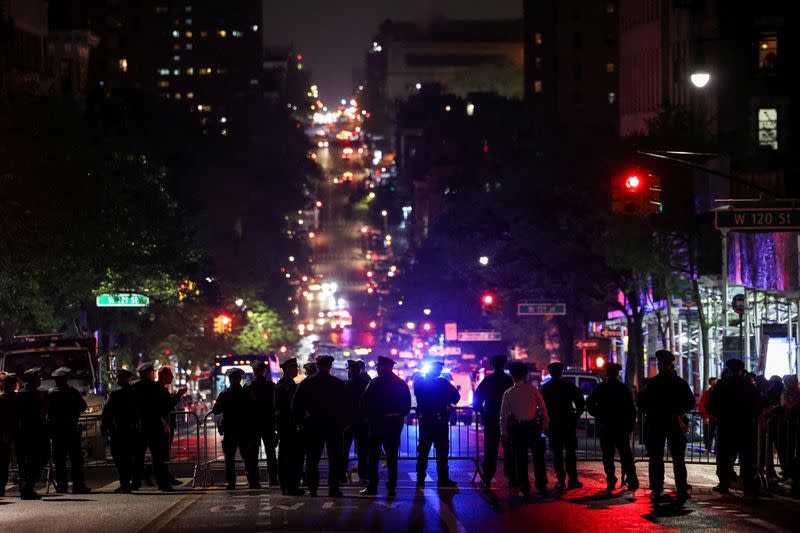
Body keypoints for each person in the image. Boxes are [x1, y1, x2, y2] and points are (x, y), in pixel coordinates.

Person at [637, 350, 695, 500]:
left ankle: (657, 488)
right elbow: (690, 403)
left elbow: (641, 403)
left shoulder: (652, 383)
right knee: (678, 458)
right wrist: (678, 410)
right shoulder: (679, 383)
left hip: (656, 422)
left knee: (656, 456)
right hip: (674, 421)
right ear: (671, 365)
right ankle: (681, 488)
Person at [292, 355, 346, 497]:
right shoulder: (338, 383)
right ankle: (333, 487)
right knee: (334, 458)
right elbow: (347, 406)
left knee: (312, 458)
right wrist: (344, 423)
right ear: (330, 366)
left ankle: (313, 488)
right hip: (333, 425)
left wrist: (300, 422)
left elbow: (296, 405)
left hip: (313, 424)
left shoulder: (307, 383)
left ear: (317, 366)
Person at [707, 358, 761, 496]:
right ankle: (748, 488)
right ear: (742, 371)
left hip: (726, 426)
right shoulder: (749, 387)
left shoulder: (721, 386)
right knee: (746, 458)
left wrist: (720, 415)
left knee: (724, 457)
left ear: (729, 370)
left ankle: (724, 485)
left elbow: (711, 406)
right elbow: (757, 407)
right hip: (746, 427)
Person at [359, 355, 411, 497]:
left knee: (373, 456)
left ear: (383, 367)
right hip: (394, 424)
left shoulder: (375, 383)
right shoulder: (400, 383)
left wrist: (370, 416)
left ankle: (372, 486)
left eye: (378, 366)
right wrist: (397, 414)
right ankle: (392, 484)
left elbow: (364, 402)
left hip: (377, 423)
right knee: (392, 455)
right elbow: (407, 406)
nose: (376, 368)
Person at [586, 362, 639, 493]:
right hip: (621, 427)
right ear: (617, 373)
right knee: (625, 454)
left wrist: (599, 414)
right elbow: (631, 409)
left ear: (607, 373)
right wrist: (630, 425)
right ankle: (632, 480)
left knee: (608, 456)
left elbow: (590, 403)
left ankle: (611, 480)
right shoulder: (623, 388)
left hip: (607, 425)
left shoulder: (601, 387)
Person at [500, 362, 550, 497]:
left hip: (518, 428)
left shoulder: (508, 393)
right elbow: (543, 408)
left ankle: (525, 486)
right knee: (538, 458)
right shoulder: (532, 390)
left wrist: (503, 431)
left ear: (512, 376)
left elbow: (503, 415)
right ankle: (541, 485)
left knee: (520, 459)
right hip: (533, 427)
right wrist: (545, 424)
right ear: (524, 375)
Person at [414, 360, 460, 489]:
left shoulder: (420, 382)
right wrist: (445, 401)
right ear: (437, 370)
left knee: (423, 450)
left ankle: (420, 478)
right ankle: (443, 479)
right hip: (440, 420)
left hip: (425, 420)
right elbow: (456, 397)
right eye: (439, 369)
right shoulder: (443, 382)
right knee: (442, 451)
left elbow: (418, 395)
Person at [212, 367, 260, 489]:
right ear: (240, 379)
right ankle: (253, 481)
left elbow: (216, 410)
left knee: (229, 459)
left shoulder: (224, 394)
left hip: (230, 430)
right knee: (248, 458)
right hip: (244, 430)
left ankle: (231, 483)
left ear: (229, 379)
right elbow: (254, 410)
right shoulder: (247, 393)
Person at [541, 361, 585, 490]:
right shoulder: (568, 386)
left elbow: (541, 407)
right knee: (570, 453)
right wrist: (575, 416)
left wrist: (545, 421)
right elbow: (580, 402)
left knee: (557, 454)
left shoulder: (546, 388)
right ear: (561, 372)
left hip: (554, 424)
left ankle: (561, 480)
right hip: (568, 423)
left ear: (550, 372)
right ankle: (573, 479)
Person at [473, 355, 515, 488]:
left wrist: (483, 413)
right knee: (509, 450)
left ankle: (487, 477)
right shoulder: (509, 381)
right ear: (504, 364)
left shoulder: (488, 381)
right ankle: (512, 478)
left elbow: (477, 400)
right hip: (508, 419)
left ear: (492, 365)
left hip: (492, 418)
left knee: (490, 449)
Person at [47, 367, 90, 494]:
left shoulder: (51, 393)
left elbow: (48, 412)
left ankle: (62, 485)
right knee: (76, 459)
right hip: (71, 430)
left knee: (59, 460)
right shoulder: (72, 392)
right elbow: (83, 406)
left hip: (57, 432)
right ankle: (78, 485)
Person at [132, 361, 174, 492]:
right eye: (152, 372)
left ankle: (135, 482)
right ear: (149, 373)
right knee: (158, 457)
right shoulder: (155, 387)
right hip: (154, 425)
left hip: (138, 426)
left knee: (138, 457)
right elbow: (166, 405)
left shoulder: (132, 387)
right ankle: (162, 483)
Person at [101, 368, 140, 493]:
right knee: (129, 457)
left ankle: (125, 484)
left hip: (119, 430)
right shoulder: (134, 392)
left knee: (119, 457)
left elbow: (107, 412)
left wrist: (104, 427)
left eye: (118, 377)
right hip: (132, 429)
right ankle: (130, 481)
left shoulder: (116, 393)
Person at [15, 368, 49, 500]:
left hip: (23, 433)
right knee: (39, 458)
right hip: (34, 432)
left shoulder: (22, 394)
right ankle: (27, 486)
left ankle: (26, 487)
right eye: (38, 377)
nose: (40, 380)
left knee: (26, 462)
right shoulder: (33, 395)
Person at [245, 360, 278, 486]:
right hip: (268, 422)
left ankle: (254, 481)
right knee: (271, 453)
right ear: (264, 371)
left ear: (254, 371)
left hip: (253, 423)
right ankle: (273, 479)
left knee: (252, 454)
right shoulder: (271, 386)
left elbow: (245, 407)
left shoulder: (248, 386)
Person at [274, 357, 304, 496]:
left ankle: (287, 485)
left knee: (286, 455)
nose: (297, 369)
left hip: (286, 425)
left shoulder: (287, 383)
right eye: (294, 367)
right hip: (288, 426)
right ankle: (290, 485)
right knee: (291, 456)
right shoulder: (285, 385)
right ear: (287, 369)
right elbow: (288, 408)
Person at [342, 359, 371, 485]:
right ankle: (363, 475)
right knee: (362, 451)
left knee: (344, 450)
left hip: (349, 423)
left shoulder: (347, 385)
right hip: (362, 423)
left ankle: (342, 475)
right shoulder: (366, 384)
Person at [0, 372, 18, 497]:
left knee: (4, 461)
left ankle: (1, 487)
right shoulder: (18, 398)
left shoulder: (2, 398)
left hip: (5, 433)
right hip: (12, 432)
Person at [698, 377, 718, 454]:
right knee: (708, 435)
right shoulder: (707, 394)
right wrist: (705, 417)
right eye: (713, 383)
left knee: (717, 435)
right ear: (710, 384)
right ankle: (708, 449)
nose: (715, 385)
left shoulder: (718, 393)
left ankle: (716, 450)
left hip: (716, 417)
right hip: (710, 417)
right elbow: (702, 405)